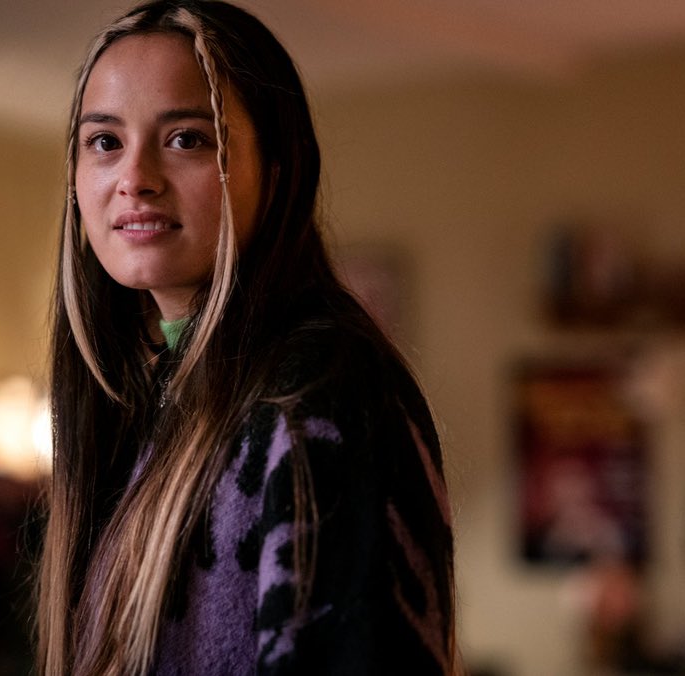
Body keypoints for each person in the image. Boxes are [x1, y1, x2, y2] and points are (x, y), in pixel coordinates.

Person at [35, 1, 457, 674]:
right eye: (105, 142)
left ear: (280, 168)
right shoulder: (147, 398)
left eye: (187, 139)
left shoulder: (322, 388)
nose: (135, 179)